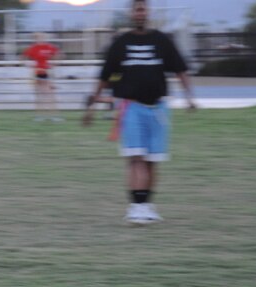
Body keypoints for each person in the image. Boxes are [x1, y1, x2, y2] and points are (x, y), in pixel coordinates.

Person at [83, 0, 196, 225]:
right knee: (136, 158)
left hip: (158, 109)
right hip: (132, 107)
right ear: (131, 14)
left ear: (148, 12)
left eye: (143, 9)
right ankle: (136, 207)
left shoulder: (161, 40)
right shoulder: (121, 43)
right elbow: (105, 77)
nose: (140, 13)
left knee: (153, 161)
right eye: (136, 9)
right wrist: (92, 106)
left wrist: (190, 97)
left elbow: (181, 70)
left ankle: (148, 205)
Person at [23, 32, 63, 122]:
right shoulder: (33, 48)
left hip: (47, 71)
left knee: (50, 94)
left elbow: (58, 54)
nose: (40, 39)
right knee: (39, 94)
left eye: (42, 37)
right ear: (35, 39)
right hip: (37, 72)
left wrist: (54, 63)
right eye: (38, 38)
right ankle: (39, 116)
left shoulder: (49, 47)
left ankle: (54, 116)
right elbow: (23, 57)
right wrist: (28, 64)